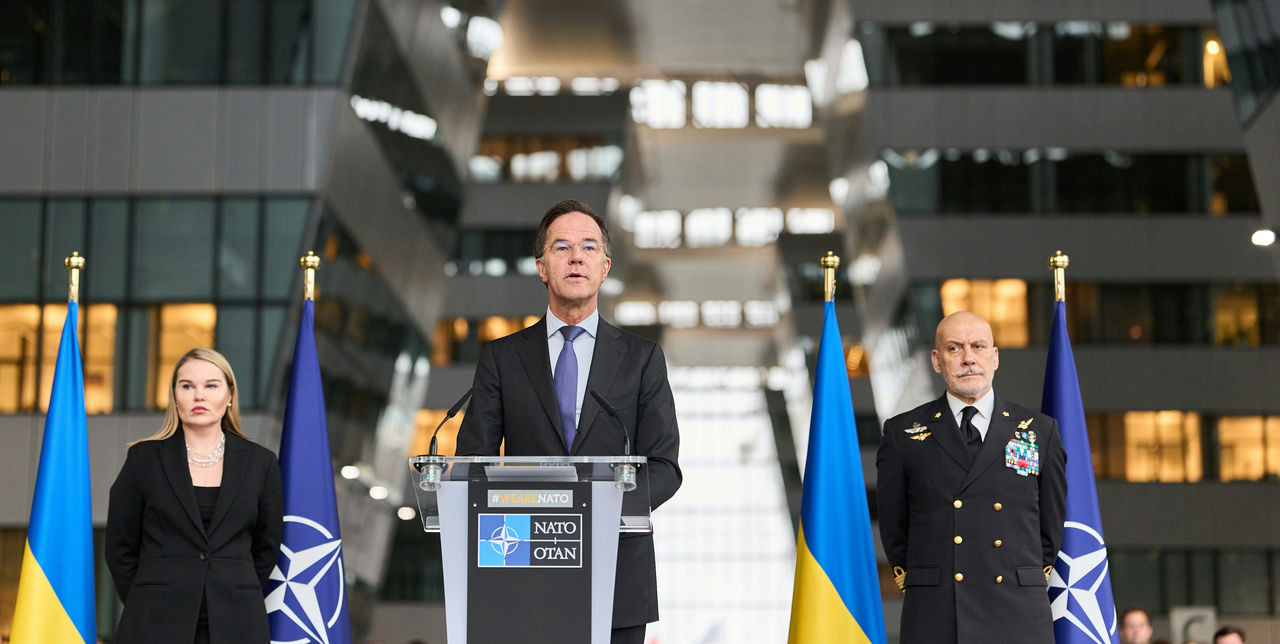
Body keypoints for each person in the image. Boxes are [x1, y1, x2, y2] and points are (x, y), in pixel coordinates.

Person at [457, 199, 682, 644]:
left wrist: (592, 515)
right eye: (562, 247)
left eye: (588, 247)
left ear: (604, 267)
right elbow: (472, 462)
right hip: (522, 568)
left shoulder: (642, 359)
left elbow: (664, 467)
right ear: (543, 268)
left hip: (616, 578)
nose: (576, 256)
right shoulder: (502, 358)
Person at [876, 311, 1067, 643]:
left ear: (994, 357)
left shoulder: (1039, 431)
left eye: (978, 346)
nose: (968, 358)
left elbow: (1050, 529)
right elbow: (894, 531)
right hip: (938, 613)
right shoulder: (902, 434)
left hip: (1017, 613)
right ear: (937, 361)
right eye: (954, 349)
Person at [106, 348, 283, 644]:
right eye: (187, 386)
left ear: (229, 396)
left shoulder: (261, 463)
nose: (198, 396)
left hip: (238, 623)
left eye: (211, 385)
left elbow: (267, 547)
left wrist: (234, 585)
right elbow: (119, 547)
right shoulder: (143, 459)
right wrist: (149, 593)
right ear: (175, 397)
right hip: (154, 623)